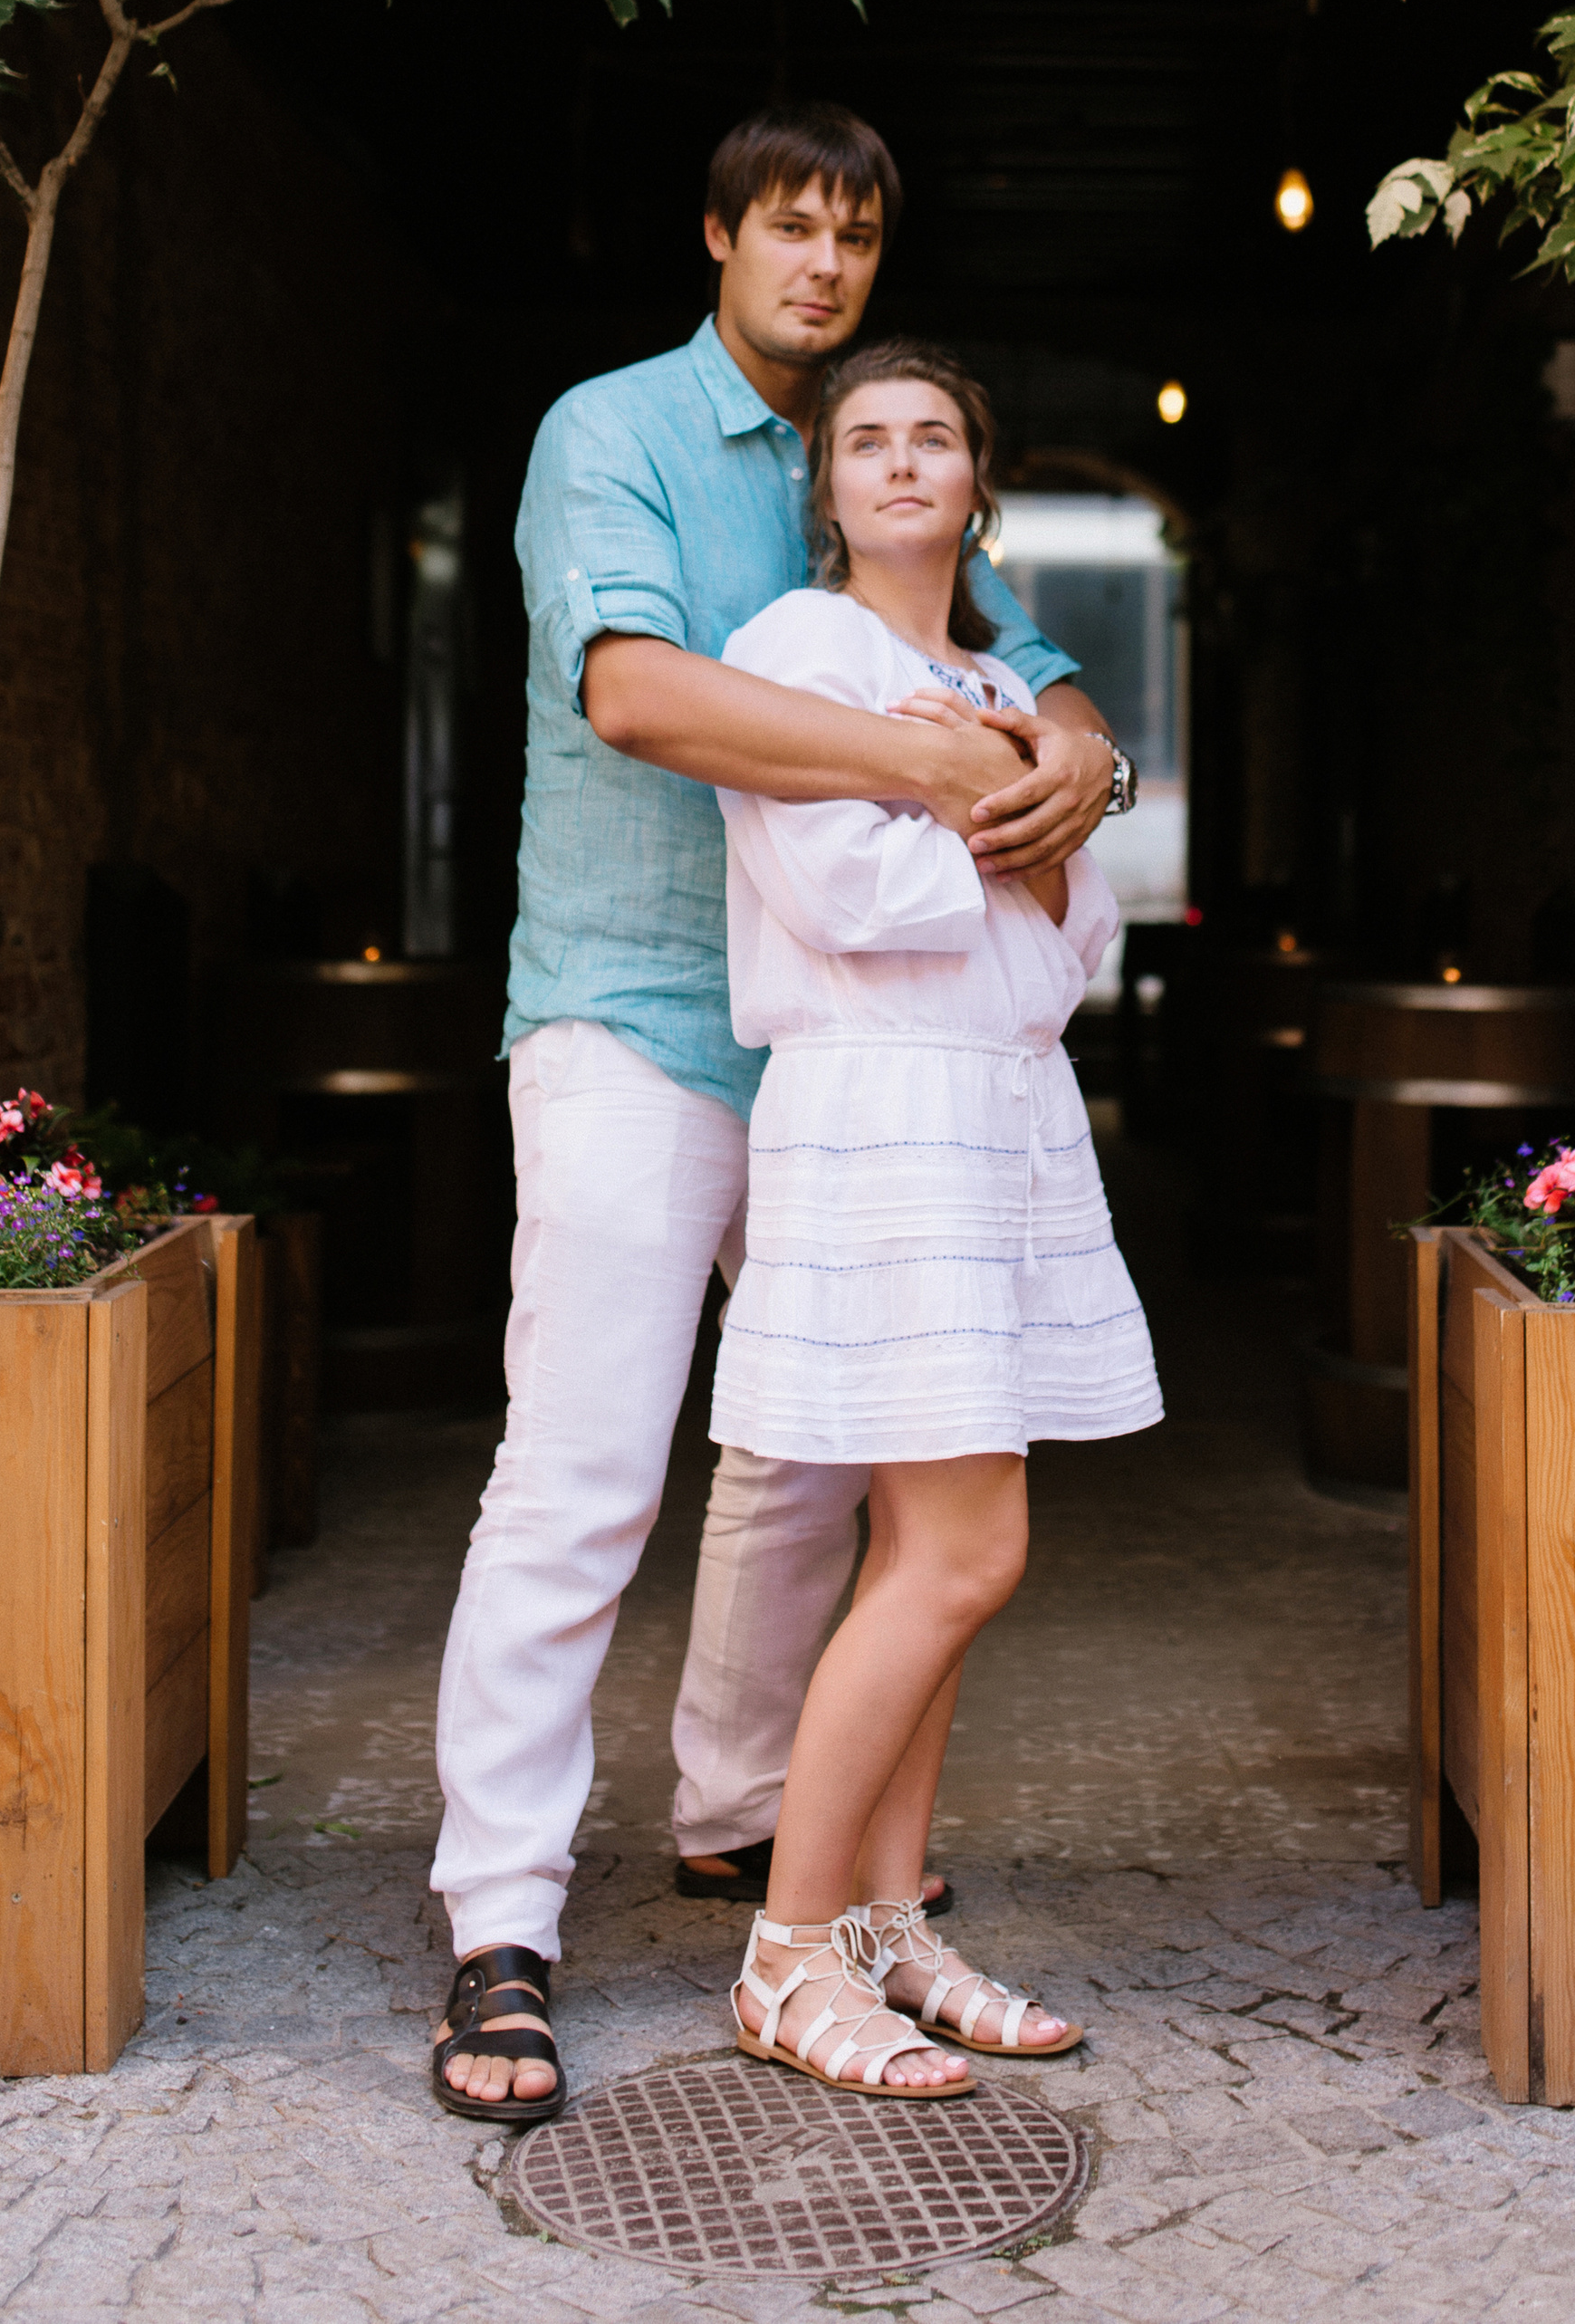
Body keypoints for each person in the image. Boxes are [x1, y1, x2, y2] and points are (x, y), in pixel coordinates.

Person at [427, 104, 1133, 2125]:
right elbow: (638, 694)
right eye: (788, 228)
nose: (820, 267)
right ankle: (500, 1915)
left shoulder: (876, 454)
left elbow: (1040, 684)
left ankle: (764, 1839)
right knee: (580, 1474)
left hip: (862, 1070)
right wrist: (934, 776)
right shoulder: (616, 431)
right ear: (719, 234)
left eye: (854, 237)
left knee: (817, 1483)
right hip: (642, 1017)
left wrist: (1077, 754)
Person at [715, 341, 1162, 2098]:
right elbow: (848, 891)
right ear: (824, 485)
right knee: (969, 1551)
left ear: (976, 480)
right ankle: (780, 1947)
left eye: (934, 438)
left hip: (998, 1110)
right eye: (866, 441)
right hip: (878, 1111)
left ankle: (889, 1921)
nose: (900, 464)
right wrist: (1004, 806)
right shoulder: (794, 653)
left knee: (931, 1560)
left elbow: (1076, 941)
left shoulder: (999, 679)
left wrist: (978, 778)